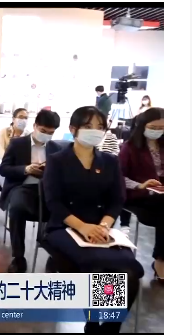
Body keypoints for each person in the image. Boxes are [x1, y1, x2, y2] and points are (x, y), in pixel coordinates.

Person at [43, 106, 144, 333]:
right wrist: (83, 227)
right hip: (65, 226)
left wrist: (104, 225)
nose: (95, 131)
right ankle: (93, 321)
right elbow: (54, 203)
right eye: (88, 126)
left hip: (102, 228)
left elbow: (117, 199)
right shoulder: (57, 160)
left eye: (100, 127)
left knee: (129, 271)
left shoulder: (110, 161)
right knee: (96, 265)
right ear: (73, 129)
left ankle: (110, 327)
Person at [0, 110, 61, 272]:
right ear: (35, 126)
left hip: (46, 188)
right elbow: (4, 169)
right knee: (17, 208)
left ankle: (55, 252)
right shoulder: (17, 144)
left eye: (51, 133)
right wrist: (26, 169)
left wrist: (47, 171)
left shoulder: (55, 148)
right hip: (22, 186)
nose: (46, 135)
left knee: (61, 208)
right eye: (43, 131)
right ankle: (18, 257)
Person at [118, 107, 164, 280]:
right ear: (143, 125)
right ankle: (161, 259)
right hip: (137, 196)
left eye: (161, 128)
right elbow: (119, 177)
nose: (157, 131)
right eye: (153, 127)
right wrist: (140, 185)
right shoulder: (129, 148)